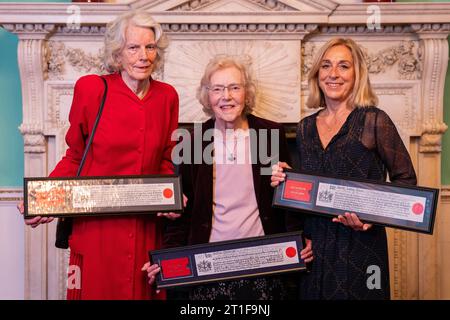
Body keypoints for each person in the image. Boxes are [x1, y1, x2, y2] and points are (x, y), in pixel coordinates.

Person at [18, 10, 179, 300]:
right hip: (96, 229)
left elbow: (167, 159)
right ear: (118, 53)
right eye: (133, 47)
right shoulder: (92, 89)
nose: (143, 55)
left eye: (150, 47)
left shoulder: (167, 96)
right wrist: (43, 199)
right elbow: (75, 156)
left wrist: (170, 195)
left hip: (145, 227)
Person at [143, 55, 313, 300]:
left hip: (263, 263)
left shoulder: (269, 135)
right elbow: (181, 214)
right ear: (207, 96)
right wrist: (166, 259)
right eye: (218, 89)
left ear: (246, 93)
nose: (227, 96)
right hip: (209, 265)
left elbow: (285, 199)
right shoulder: (193, 142)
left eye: (235, 87)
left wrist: (301, 239)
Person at [271, 38, 417, 300]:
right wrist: (286, 178)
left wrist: (372, 217)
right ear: (317, 74)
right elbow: (309, 191)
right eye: (326, 66)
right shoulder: (305, 128)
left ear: (357, 74)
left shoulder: (374, 120)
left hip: (361, 247)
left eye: (343, 66)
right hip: (316, 247)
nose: (333, 74)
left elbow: (406, 180)